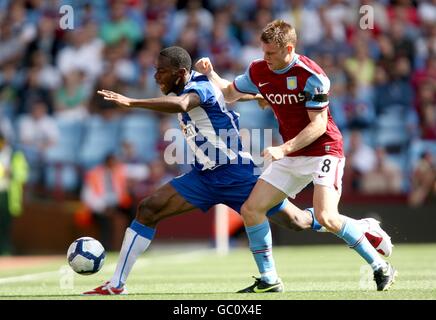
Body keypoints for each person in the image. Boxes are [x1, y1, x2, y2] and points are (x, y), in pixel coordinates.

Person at [84, 46, 392, 295]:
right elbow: (229, 94)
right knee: (148, 208)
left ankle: (362, 227)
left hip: (236, 173)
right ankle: (116, 284)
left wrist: (131, 102)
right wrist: (257, 96)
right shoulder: (202, 84)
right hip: (203, 176)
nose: (155, 75)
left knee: (298, 221)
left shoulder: (198, 86)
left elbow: (181, 105)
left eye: (161, 71)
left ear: (179, 73)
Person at [195, 20, 397, 292]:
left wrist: (282, 149)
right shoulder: (258, 69)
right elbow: (230, 93)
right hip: (291, 153)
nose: (265, 59)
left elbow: (319, 125)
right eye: (263, 51)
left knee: (327, 217)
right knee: (251, 210)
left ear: (288, 49)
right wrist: (211, 74)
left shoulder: (312, 75)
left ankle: (381, 267)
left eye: (271, 53)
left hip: (324, 149)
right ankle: (269, 279)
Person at [0, 133, 28, 255]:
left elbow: (23, 174)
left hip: (7, 194)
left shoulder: (15, 155)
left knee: (5, 224)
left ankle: (5, 250)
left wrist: (11, 173)